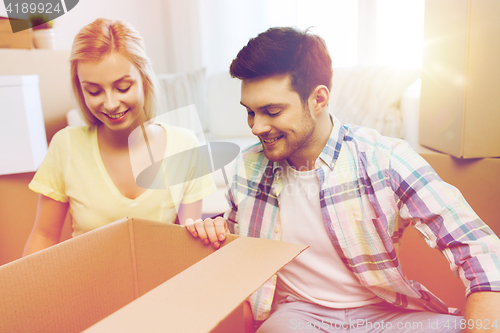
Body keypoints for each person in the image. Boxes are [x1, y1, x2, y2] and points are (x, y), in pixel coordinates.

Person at [186, 27, 500, 332]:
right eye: (251, 112)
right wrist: (214, 228)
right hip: (298, 315)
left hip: (383, 315)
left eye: (271, 110)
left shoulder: (384, 157)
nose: (256, 127)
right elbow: (233, 234)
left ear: (318, 99)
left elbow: (475, 243)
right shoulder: (247, 167)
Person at [23, 18, 215, 256]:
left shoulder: (185, 146)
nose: (111, 104)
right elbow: (44, 235)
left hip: (161, 286)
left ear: (144, 80)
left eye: (123, 87)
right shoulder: (66, 146)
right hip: (89, 285)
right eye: (93, 91)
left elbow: (188, 242)